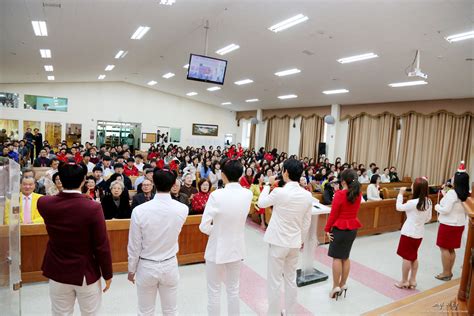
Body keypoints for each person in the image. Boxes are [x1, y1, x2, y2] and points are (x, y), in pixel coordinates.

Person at [37, 163, 113, 315]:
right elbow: (101, 245)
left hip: (57, 270)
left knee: (60, 313)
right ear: (84, 180)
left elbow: (59, 199)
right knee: (91, 313)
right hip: (85, 271)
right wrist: (107, 274)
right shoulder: (92, 207)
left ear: (59, 180)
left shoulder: (44, 203)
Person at [127, 167, 188, 316]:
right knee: (171, 310)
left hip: (146, 265)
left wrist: (131, 269)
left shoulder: (139, 211)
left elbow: (134, 244)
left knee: (145, 311)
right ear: (174, 183)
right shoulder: (182, 208)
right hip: (170, 264)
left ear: (153, 182)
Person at [257, 159, 312, 315]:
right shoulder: (307, 195)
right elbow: (306, 222)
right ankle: (290, 312)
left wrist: (267, 185)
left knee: (274, 281)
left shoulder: (279, 192)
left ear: (286, 172)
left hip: (277, 241)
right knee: (290, 279)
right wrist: (300, 240)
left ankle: (273, 313)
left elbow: (261, 203)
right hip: (294, 242)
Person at [199, 159, 253, 316]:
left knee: (214, 291)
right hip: (237, 247)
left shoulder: (217, 195)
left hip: (217, 247)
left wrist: (217, 231)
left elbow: (204, 226)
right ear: (241, 174)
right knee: (233, 289)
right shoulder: (247, 193)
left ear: (222, 174)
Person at [325, 169, 362, 300]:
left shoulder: (340, 194)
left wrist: (327, 229)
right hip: (352, 228)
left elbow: (333, 214)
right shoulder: (358, 194)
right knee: (345, 257)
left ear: (343, 181)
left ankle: (335, 286)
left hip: (339, 228)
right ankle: (343, 284)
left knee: (336, 258)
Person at [394, 178, 432, 289]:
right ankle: (413, 280)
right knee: (414, 256)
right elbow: (428, 218)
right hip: (419, 233)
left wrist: (400, 194)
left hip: (408, 233)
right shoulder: (428, 202)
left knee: (406, 257)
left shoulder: (412, 203)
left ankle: (404, 281)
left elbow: (399, 207)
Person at [434, 162, 470, 281]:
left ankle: (446, 273)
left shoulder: (452, 193)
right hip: (459, 224)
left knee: (444, 248)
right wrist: (446, 195)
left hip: (448, 224)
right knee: (451, 249)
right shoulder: (466, 193)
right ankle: (448, 272)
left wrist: (437, 206)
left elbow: (445, 210)